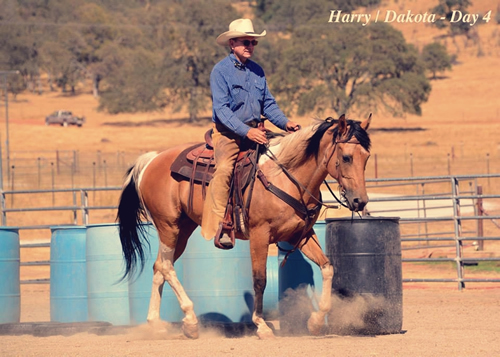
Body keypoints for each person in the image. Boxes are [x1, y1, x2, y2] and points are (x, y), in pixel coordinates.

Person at [201, 18, 301, 248]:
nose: (250, 46)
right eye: (245, 41)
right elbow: (221, 110)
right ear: (232, 43)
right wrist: (247, 132)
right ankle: (221, 224)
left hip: (256, 131)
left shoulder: (257, 71)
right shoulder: (220, 71)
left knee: (285, 158)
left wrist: (285, 123)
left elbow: (268, 104)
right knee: (225, 169)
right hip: (228, 134)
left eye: (253, 42)